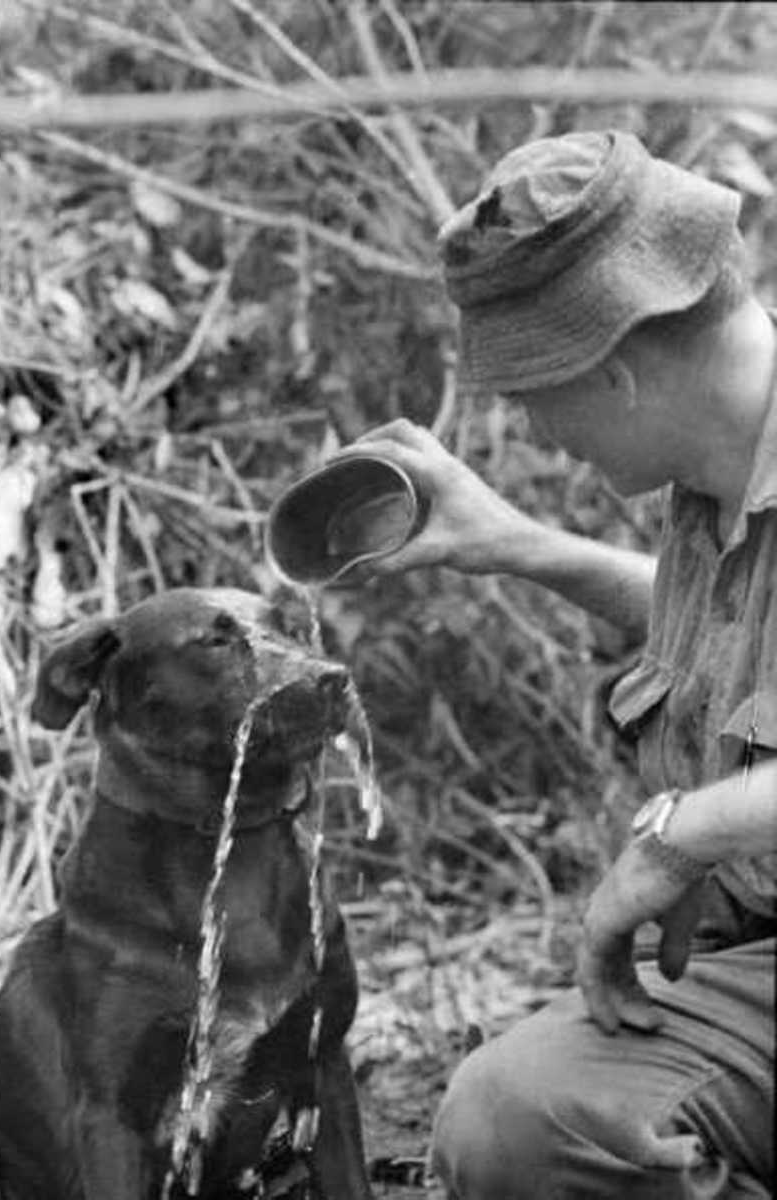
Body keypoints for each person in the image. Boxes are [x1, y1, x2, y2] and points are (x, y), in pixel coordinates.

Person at [342, 131, 776, 1198]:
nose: (534, 430)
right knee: (516, 1123)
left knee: (522, 1124)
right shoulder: (713, 480)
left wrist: (683, 839)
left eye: (532, 394)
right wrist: (519, 546)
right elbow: (740, 642)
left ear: (616, 372)